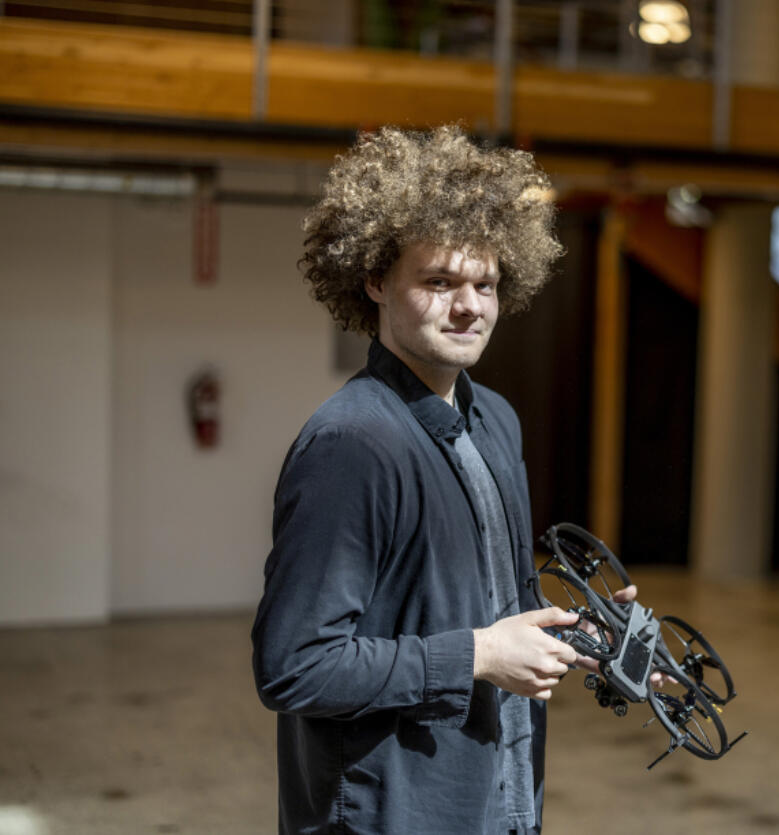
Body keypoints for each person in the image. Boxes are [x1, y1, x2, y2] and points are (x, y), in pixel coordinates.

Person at [251, 125, 624, 834]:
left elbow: (491, 600)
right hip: (390, 811)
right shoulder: (351, 444)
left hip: (498, 793)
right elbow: (294, 664)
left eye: (484, 283)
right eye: (439, 281)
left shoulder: (496, 422)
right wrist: (480, 653)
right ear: (374, 279)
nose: (469, 306)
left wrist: (605, 641)